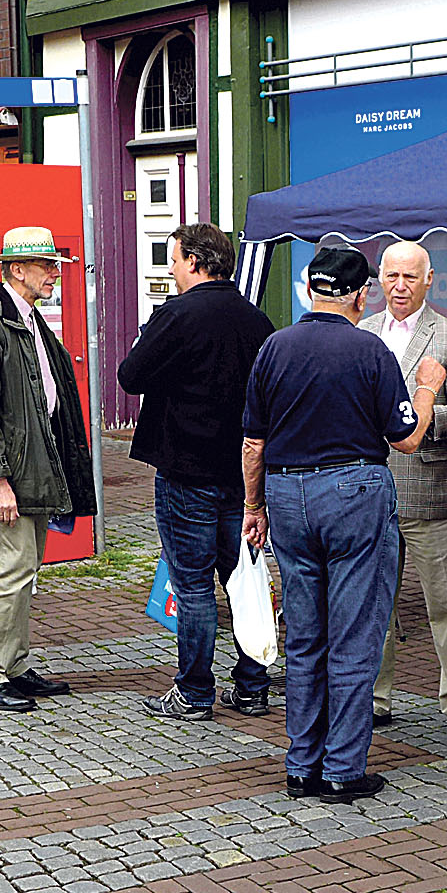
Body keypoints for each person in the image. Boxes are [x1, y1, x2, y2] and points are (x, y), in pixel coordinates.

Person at [242, 246, 445, 803]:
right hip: (353, 491)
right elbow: (405, 437)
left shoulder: (274, 347)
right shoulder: (370, 349)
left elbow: (253, 442)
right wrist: (426, 386)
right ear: (361, 295)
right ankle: (343, 768)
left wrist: (253, 507)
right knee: (355, 636)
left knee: (305, 636)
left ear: (310, 290)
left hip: (286, 493)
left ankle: (301, 763)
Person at [118, 222, 277, 721]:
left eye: (174, 259)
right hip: (242, 475)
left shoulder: (176, 315)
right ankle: (252, 687)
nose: (170, 269)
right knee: (244, 580)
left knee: (192, 584)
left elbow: (130, 375)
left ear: (194, 261)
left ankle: (193, 691)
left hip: (187, 469)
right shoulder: (257, 320)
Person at [0, 226, 95, 713]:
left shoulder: (27, 319)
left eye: (54, 264)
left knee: (24, 569)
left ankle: (12, 664)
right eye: (46, 265)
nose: (55, 273)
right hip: (12, 473)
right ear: (17, 269)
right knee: (12, 571)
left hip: (33, 467)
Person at [359, 241, 447, 743]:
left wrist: (423, 414)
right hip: (372, 492)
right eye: (391, 276)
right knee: (373, 603)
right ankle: (372, 696)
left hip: (434, 491)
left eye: (410, 278)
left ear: (429, 281)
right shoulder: (363, 333)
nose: (398, 287)